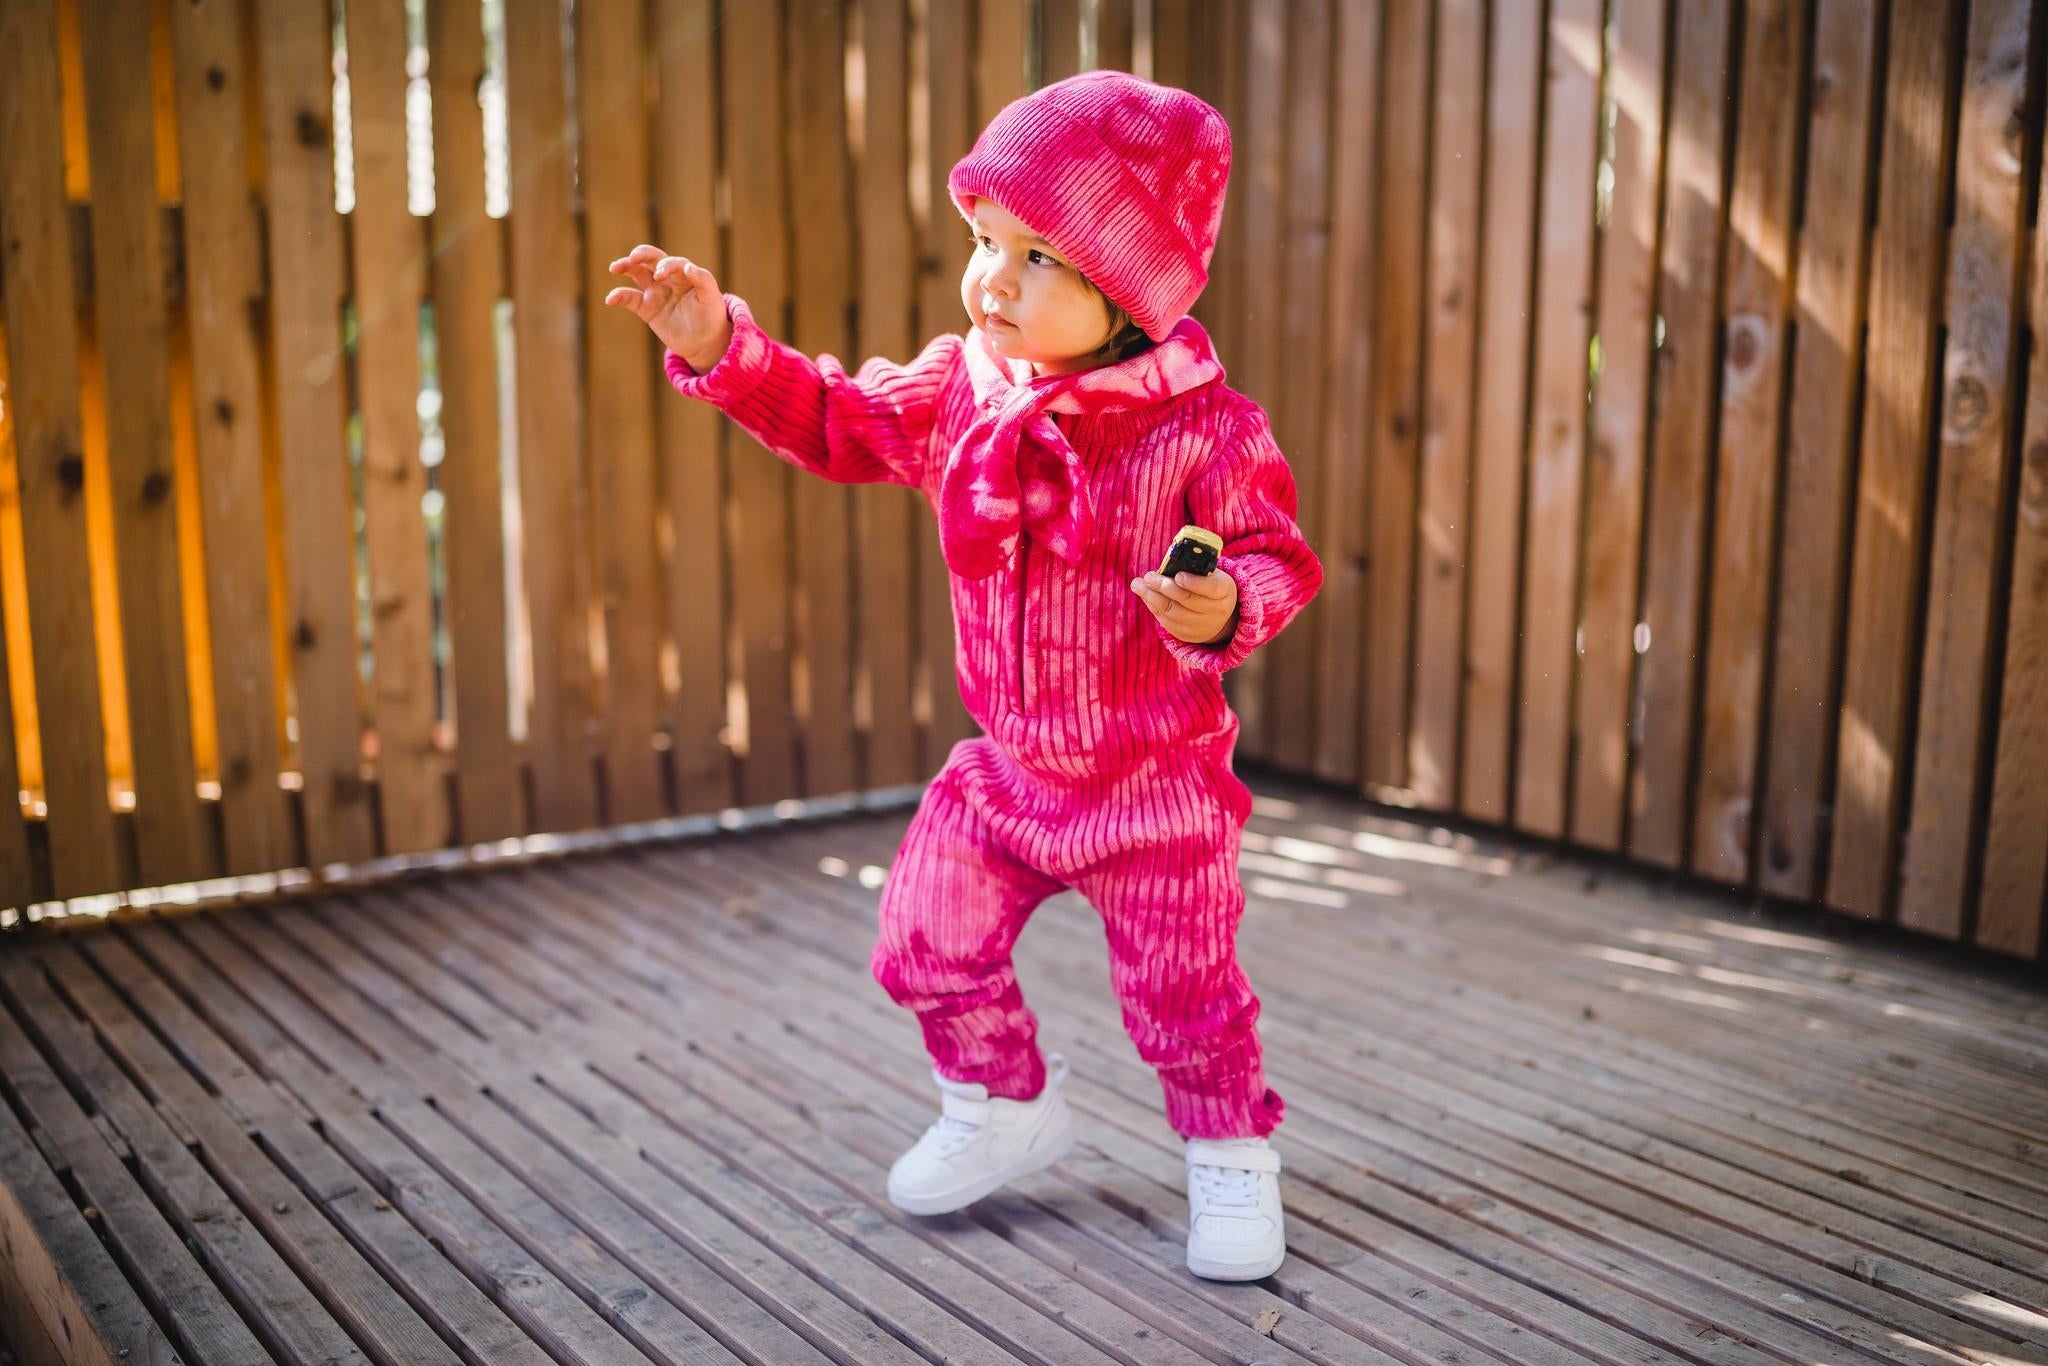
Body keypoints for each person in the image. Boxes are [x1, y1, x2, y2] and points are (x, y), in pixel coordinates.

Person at [605, 69, 1321, 1282]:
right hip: (1009, 774)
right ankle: (999, 1104)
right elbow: (833, 416)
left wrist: (1220, 603)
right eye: (984, 239)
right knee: (921, 935)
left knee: (1182, 990)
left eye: (1038, 257)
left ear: (1130, 288)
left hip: (1155, 791)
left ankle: (1229, 1155)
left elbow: (1275, 560)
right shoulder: (962, 391)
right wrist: (723, 347)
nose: (991, 278)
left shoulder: (1202, 429)